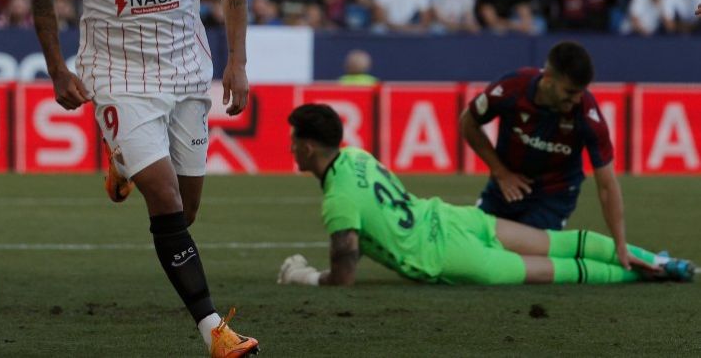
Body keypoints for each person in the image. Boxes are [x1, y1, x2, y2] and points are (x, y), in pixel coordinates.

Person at [31, 0, 258, 358]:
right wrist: (58, 69)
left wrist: (237, 62)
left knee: (185, 210)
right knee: (163, 195)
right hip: (116, 76)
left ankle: (119, 164)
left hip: (186, 73)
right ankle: (214, 332)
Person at [277, 104, 695, 287]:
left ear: (308, 148)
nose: (292, 147)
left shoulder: (337, 201)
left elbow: (343, 276)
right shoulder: (358, 156)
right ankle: (661, 261)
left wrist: (305, 277)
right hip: (456, 218)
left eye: (294, 141)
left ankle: (643, 275)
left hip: (452, 258)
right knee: (562, 244)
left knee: (561, 271)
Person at [459, 42, 640, 260]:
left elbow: (607, 185)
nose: (576, 100)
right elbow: (467, 123)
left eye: (581, 92)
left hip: (553, 197)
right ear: (548, 80)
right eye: (570, 92)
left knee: (515, 256)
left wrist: (620, 245)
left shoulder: (588, 116)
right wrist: (500, 172)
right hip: (505, 187)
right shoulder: (511, 88)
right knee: (468, 245)